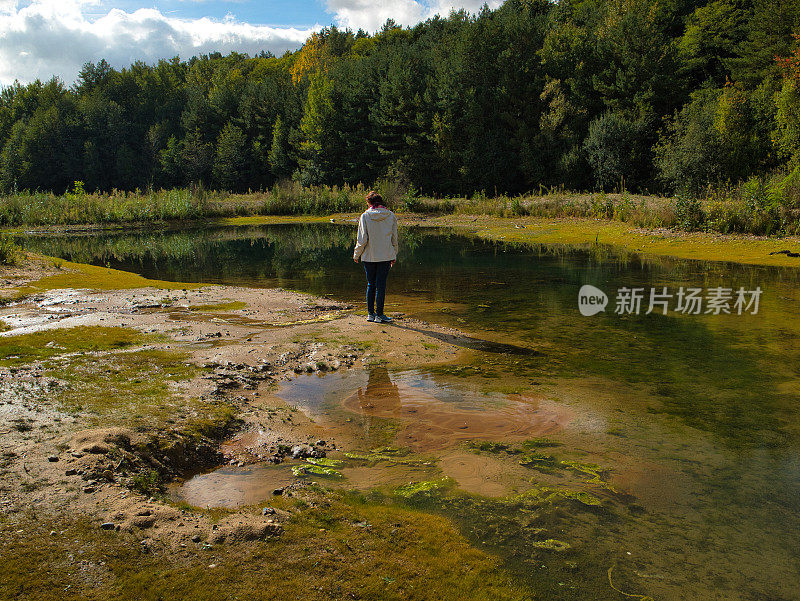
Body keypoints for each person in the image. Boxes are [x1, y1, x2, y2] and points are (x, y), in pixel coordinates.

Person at [353, 191, 398, 323]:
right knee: (381, 285)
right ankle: (380, 315)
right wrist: (394, 254)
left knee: (371, 284)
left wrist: (356, 254)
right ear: (381, 201)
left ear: (369, 203)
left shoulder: (365, 216)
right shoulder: (391, 215)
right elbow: (394, 238)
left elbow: (362, 239)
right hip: (385, 256)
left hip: (369, 256)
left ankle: (370, 314)